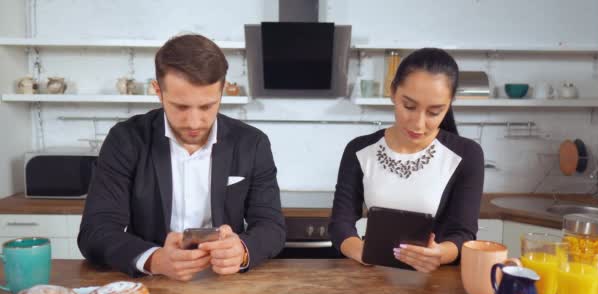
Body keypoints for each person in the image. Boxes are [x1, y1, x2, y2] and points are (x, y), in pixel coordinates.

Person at [78, 34, 286, 280]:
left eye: (207, 106)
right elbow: (95, 231)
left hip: (227, 283)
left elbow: (271, 226)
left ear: (222, 91)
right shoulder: (126, 140)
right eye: (181, 107)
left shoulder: (252, 143)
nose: (195, 122)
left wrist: (241, 251)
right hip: (153, 281)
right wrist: (155, 259)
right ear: (158, 91)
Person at [329, 48, 484, 273]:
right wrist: (362, 251)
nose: (418, 123)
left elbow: (463, 234)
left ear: (449, 105)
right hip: (372, 276)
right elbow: (340, 225)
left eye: (434, 112)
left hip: (433, 282)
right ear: (393, 92)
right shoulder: (360, 150)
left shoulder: (467, 155)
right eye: (409, 106)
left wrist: (439, 254)